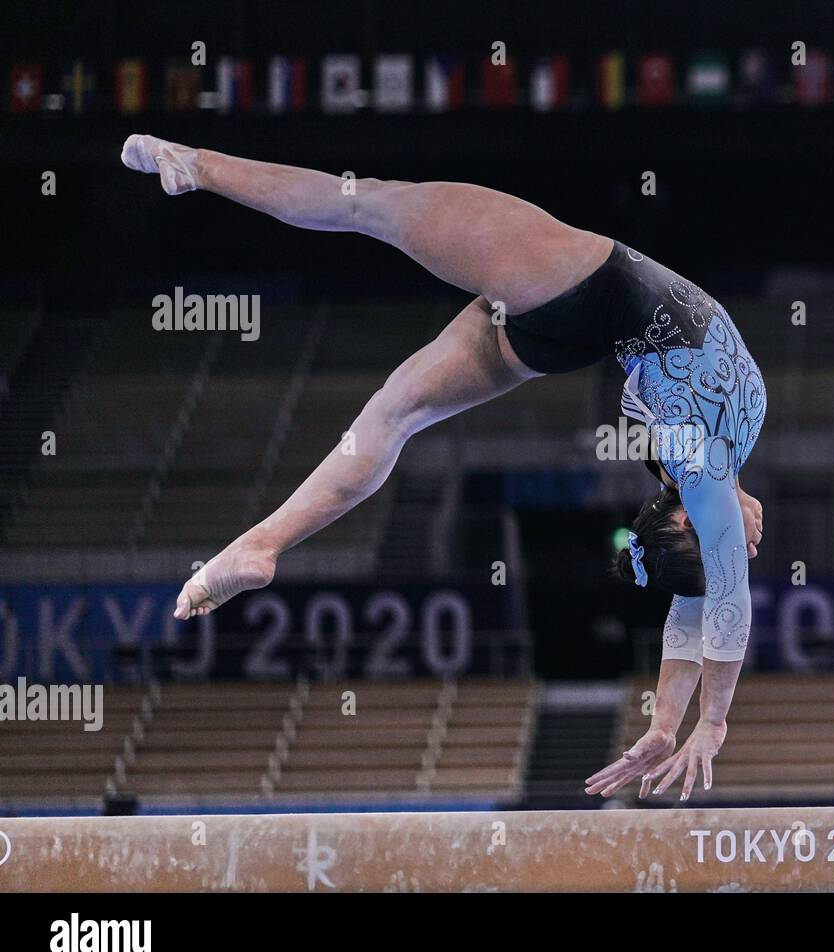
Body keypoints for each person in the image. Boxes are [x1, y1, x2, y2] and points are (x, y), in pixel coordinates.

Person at [121, 134, 766, 800]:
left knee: (367, 203)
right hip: (575, 324)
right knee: (395, 410)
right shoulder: (702, 469)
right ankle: (262, 542)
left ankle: (197, 165)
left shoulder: (702, 465)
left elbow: (719, 596)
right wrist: (671, 722)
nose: (739, 550)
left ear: (683, 510)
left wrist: (705, 724)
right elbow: (706, 593)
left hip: (570, 275)